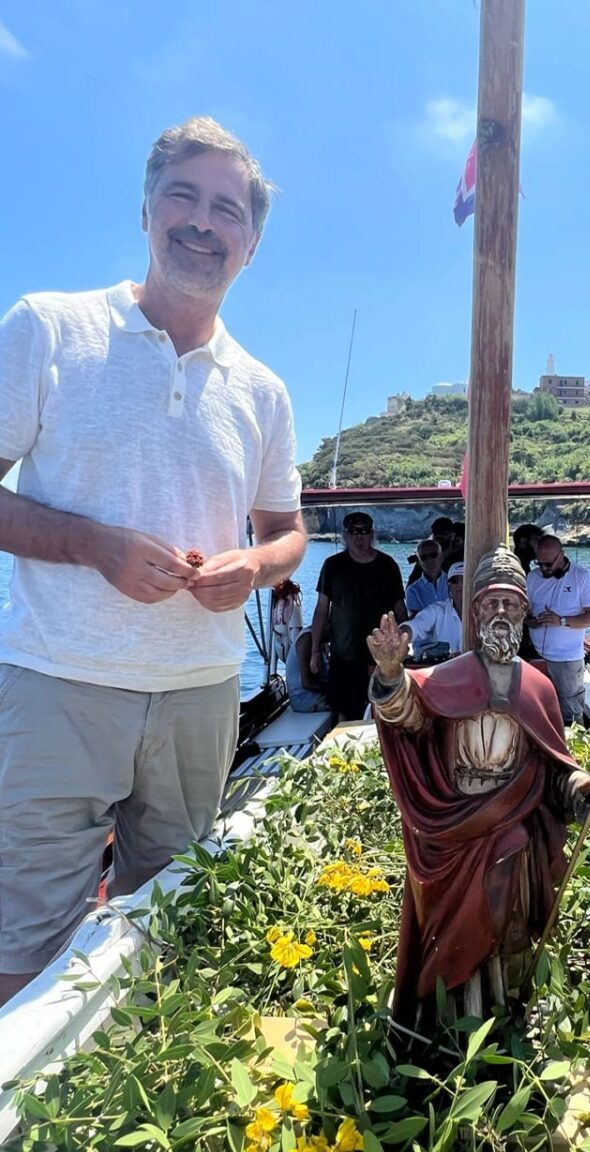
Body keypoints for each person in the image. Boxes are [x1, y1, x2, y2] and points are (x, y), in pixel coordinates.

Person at [0, 116, 306, 1004]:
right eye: (183, 196)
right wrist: (94, 546)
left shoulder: (263, 391)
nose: (203, 222)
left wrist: (255, 568)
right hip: (56, 683)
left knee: (169, 929)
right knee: (24, 940)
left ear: (251, 244)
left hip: (202, 695)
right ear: (145, 211)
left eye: (227, 210)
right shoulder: (47, 328)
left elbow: (288, 532)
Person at [367, 548, 590, 1029]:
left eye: (510, 604)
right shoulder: (448, 677)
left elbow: (555, 768)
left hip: (513, 829)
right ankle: (445, 1019)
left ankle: (508, 1010)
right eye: (491, 604)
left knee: (509, 926)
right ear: (474, 614)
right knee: (447, 933)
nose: (500, 613)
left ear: (524, 611)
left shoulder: (539, 687)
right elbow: (408, 718)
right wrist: (390, 674)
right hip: (452, 826)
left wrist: (581, 788)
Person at [310, 512, 405, 720]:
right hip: (344, 658)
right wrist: (315, 651)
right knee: (345, 716)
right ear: (345, 536)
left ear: (372, 535)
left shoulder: (388, 565)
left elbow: (400, 609)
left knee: (384, 713)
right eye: (354, 532)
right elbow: (321, 610)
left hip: (381, 657)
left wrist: (404, 645)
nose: (359, 537)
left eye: (364, 532)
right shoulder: (332, 566)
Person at [526, 535, 590, 724]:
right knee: (536, 710)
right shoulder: (533, 577)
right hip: (536, 654)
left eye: (548, 564)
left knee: (571, 714)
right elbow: (525, 609)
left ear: (561, 555)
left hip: (566, 659)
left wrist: (561, 621)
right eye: (539, 563)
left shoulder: (581, 577)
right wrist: (529, 620)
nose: (544, 568)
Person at [401, 560, 464, 657]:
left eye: (465, 580)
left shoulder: (484, 611)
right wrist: (400, 634)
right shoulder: (438, 610)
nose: (460, 584)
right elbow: (417, 625)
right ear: (449, 587)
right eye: (455, 580)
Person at [285, 627, 331, 713]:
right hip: (305, 699)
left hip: (316, 694)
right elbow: (307, 683)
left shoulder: (321, 640)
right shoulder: (306, 640)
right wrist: (336, 688)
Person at [404, 538, 448, 616]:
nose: (429, 560)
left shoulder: (454, 582)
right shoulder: (412, 591)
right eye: (424, 557)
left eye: (433, 555)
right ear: (419, 562)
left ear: (441, 557)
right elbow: (417, 620)